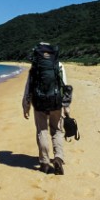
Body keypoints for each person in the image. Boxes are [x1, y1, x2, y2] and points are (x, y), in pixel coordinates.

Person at [22, 42, 70, 175]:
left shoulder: (35, 67)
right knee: (57, 130)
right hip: (56, 102)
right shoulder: (59, 65)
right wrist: (67, 107)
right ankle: (58, 158)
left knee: (42, 131)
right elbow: (64, 86)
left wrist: (26, 106)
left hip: (39, 103)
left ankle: (44, 162)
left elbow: (28, 88)